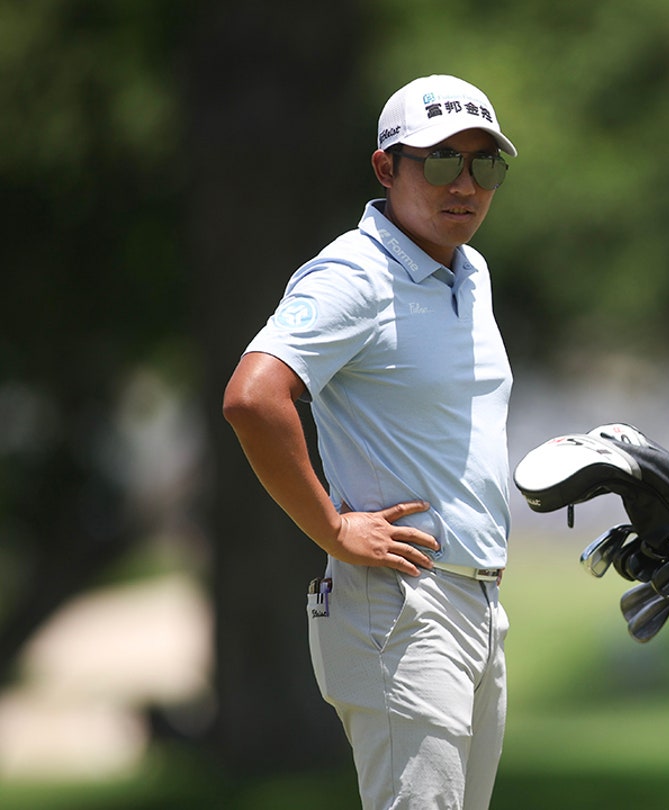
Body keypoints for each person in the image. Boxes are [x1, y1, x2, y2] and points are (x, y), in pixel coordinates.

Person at [222, 74, 518, 809]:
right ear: (387, 168)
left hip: (475, 603)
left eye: (486, 164)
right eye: (442, 161)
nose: (467, 184)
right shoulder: (353, 275)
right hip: (400, 607)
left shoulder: (469, 270)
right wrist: (330, 527)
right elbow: (253, 397)